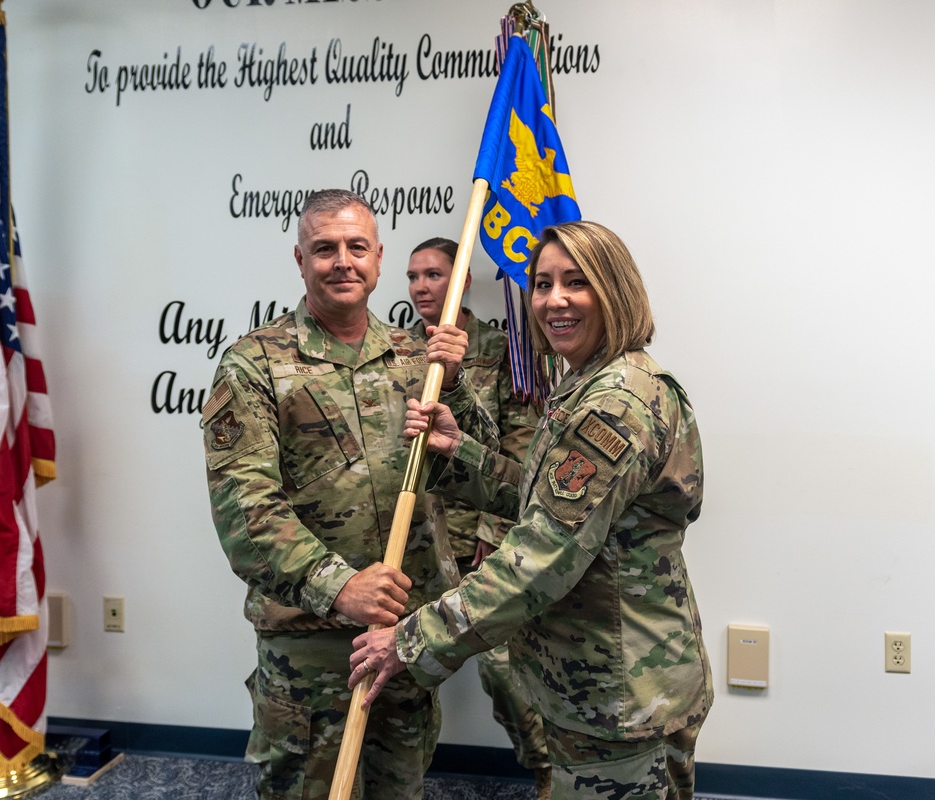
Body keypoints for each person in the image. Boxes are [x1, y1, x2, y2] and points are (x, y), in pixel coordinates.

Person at [350, 221, 713, 800]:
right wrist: (460, 450)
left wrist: (411, 640)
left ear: (615, 289)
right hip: (599, 682)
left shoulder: (616, 404)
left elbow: (541, 555)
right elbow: (540, 500)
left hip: (619, 694)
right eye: (542, 284)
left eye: (576, 282)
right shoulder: (588, 383)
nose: (553, 300)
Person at [202, 189, 482, 800]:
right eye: (324, 248)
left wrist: (456, 389)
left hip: (404, 634)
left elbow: (472, 476)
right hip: (314, 647)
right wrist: (340, 587)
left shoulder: (417, 358)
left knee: (400, 787)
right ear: (299, 260)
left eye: (357, 247)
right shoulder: (254, 366)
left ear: (379, 259)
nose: (342, 261)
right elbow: (245, 512)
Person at [405, 237, 551, 796]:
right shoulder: (395, 351)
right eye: (413, 276)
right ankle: (404, 776)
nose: (421, 286)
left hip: (478, 537)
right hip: (414, 533)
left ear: (461, 281)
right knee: (408, 662)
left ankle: (546, 771)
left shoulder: (504, 349)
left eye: (434, 275)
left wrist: (494, 533)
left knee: (502, 669)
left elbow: (524, 453)